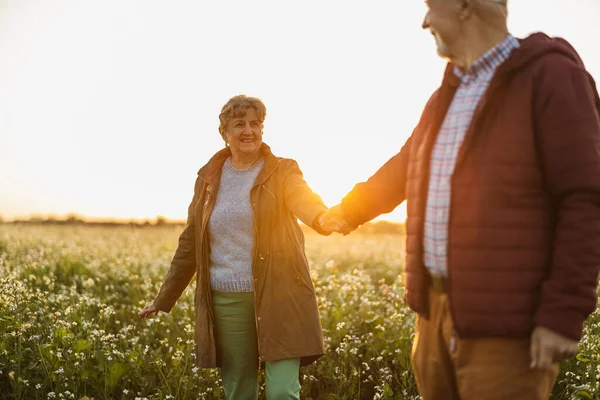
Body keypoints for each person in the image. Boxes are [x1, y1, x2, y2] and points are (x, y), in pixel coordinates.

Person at [320, 0, 600, 398]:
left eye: (431, 7)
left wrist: (563, 314)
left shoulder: (552, 77)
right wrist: (349, 211)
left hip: (507, 326)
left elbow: (585, 199)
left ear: (465, 6)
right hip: (433, 316)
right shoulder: (445, 95)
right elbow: (407, 165)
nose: (425, 21)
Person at [138, 95, 343, 400]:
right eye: (239, 124)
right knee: (239, 392)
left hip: (281, 295)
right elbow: (191, 241)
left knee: (282, 392)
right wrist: (164, 297)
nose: (249, 131)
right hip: (227, 300)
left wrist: (322, 217)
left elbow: (302, 198)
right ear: (224, 133)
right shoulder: (208, 179)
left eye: (255, 124)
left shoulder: (283, 171)